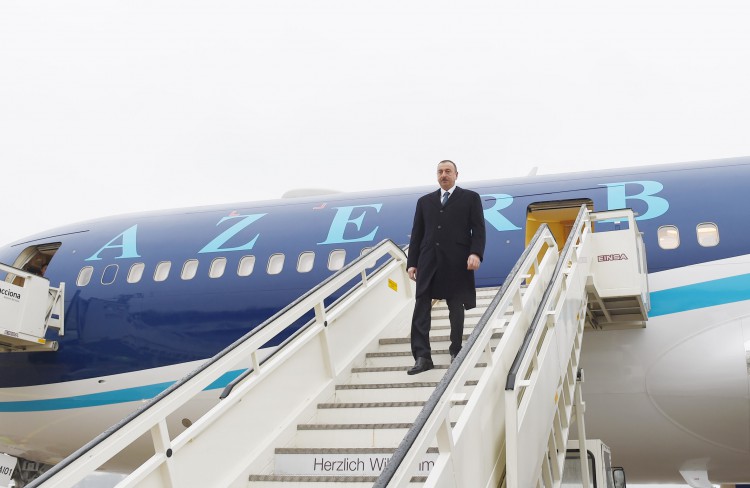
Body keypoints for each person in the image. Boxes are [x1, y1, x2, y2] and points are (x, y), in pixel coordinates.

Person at [406, 160, 486, 375]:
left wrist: (475, 253)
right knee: (421, 306)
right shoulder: (424, 202)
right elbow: (417, 234)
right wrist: (412, 263)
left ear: (456, 175)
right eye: (440, 171)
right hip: (428, 261)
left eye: (448, 171)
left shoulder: (470, 198)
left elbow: (478, 229)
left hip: (457, 261)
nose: (443, 175)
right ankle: (422, 357)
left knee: (455, 306)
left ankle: (456, 349)